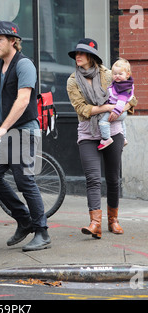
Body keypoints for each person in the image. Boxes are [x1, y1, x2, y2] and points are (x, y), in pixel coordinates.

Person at [0, 21, 51, 252]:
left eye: (0, 39)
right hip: (4, 132)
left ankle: (42, 232)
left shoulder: (24, 65)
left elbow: (22, 101)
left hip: (23, 130)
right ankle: (24, 219)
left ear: (13, 41)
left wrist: (3, 128)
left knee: (24, 180)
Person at [66, 38, 137, 238]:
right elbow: (82, 109)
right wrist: (106, 107)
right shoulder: (73, 80)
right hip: (88, 132)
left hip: (113, 131)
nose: (77, 57)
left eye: (81, 53)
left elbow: (132, 97)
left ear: (92, 56)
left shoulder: (108, 74)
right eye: (76, 54)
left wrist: (122, 107)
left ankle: (113, 220)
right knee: (93, 179)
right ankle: (95, 223)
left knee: (113, 179)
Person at [97, 58, 134, 150]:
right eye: (115, 74)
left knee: (103, 121)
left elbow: (121, 101)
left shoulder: (123, 87)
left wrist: (116, 112)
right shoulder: (120, 83)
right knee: (121, 122)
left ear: (127, 75)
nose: (117, 76)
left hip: (118, 110)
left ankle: (106, 138)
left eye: (120, 74)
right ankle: (124, 138)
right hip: (122, 112)